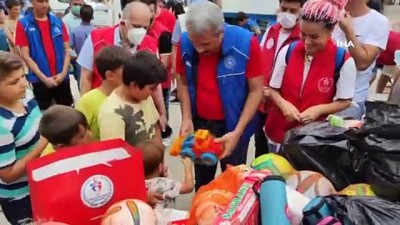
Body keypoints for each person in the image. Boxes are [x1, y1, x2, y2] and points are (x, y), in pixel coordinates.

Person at [176, 1, 263, 190]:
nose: (199, 49)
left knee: (232, 182)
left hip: (234, 126)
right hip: (202, 126)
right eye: (194, 43)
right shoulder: (184, 42)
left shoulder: (246, 43)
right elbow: (182, 81)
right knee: (203, 182)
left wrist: (238, 131)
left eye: (206, 44)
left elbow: (256, 90)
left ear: (221, 32)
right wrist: (186, 117)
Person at [265, 0, 357, 151]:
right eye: (303, 34)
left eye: (314, 37)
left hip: (314, 138)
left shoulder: (342, 60)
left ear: (331, 30)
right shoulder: (288, 51)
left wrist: (318, 110)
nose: (307, 42)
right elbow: (273, 89)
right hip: (279, 132)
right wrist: (283, 104)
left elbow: (345, 101)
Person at [77, 2, 168, 131]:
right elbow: (86, 77)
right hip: (102, 109)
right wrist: (88, 110)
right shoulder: (97, 38)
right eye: (136, 26)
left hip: (135, 113)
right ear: (122, 21)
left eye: (145, 27)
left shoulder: (150, 45)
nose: (140, 32)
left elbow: (155, 84)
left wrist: (162, 113)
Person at [0, 52, 47, 224]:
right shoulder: (2, 126)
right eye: (13, 82)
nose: (23, 84)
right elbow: (8, 175)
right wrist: (43, 143)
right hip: (20, 197)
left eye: (23, 76)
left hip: (40, 182)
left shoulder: (26, 96)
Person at [255, 0, 304, 157]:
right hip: (262, 101)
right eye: (284, 9)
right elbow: (260, 59)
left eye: (293, 11)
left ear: (301, 11)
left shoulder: (303, 37)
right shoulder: (271, 30)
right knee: (260, 145)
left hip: (283, 104)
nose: (287, 14)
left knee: (279, 152)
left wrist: (275, 93)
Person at [333, 0, 390, 119]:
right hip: (319, 98)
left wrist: (349, 32)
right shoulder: (330, 14)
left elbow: (362, 63)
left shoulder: (378, 22)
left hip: (350, 102)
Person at [99, 51, 167, 146]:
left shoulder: (144, 97)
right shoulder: (112, 114)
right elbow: (116, 154)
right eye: (152, 88)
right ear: (134, 85)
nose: (154, 92)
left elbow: (155, 127)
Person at [15, 0, 73, 111]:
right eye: (40, 1)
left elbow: (67, 50)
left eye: (46, 1)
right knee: (45, 115)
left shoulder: (58, 22)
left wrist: (63, 73)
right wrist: (44, 78)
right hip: (39, 80)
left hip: (62, 78)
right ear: (32, 2)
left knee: (67, 113)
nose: (44, 4)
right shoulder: (23, 24)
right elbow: (25, 56)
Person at [76, 46, 131, 141]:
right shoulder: (88, 101)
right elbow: (75, 133)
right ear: (110, 75)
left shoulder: (129, 96)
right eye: (126, 72)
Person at [137, 140, 193, 224]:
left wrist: (163, 174)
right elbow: (188, 187)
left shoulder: (133, 181)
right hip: (162, 218)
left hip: (144, 216)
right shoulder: (162, 184)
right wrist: (188, 166)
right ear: (160, 167)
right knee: (192, 216)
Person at [70, 4, 94, 88]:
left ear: (80, 16)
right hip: (95, 63)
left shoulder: (74, 31)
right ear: (92, 16)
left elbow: (69, 48)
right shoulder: (97, 31)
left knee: (82, 85)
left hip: (81, 63)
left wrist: (75, 56)